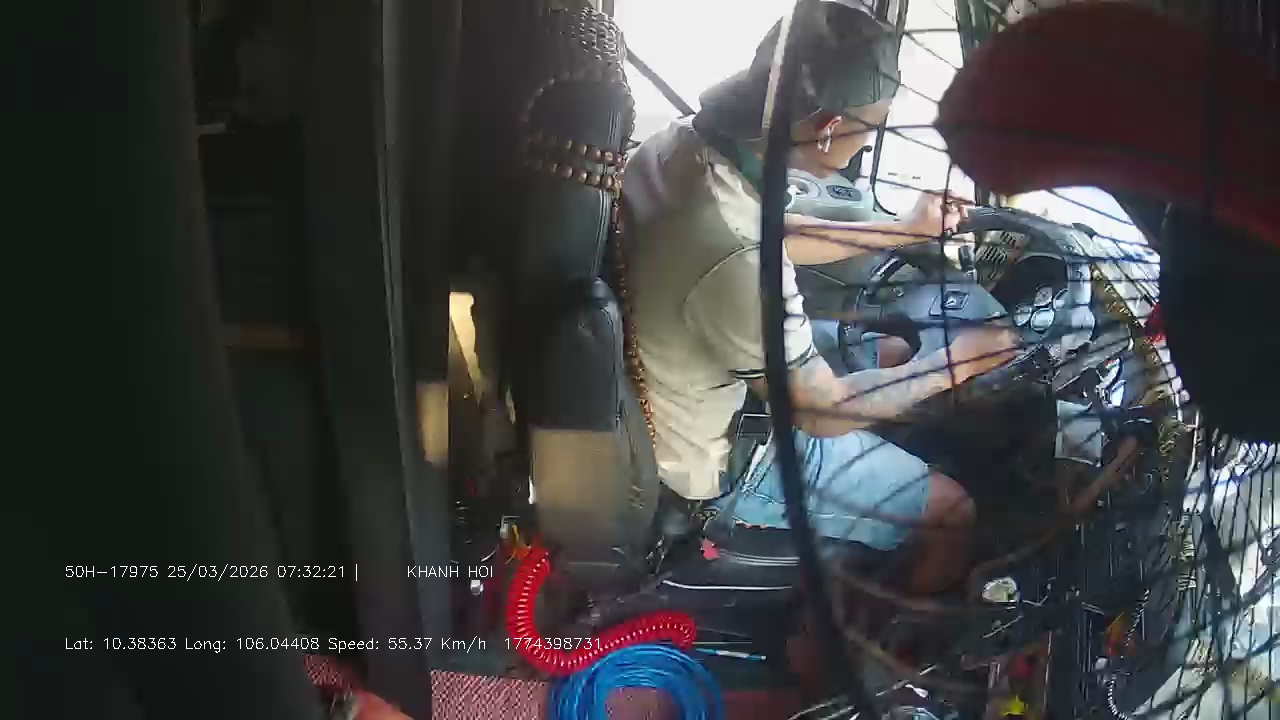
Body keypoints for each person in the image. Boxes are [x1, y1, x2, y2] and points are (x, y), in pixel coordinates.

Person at [621, 1, 1019, 594]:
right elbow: (822, 412)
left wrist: (904, 231)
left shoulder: (681, 146)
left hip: (683, 374)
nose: (866, 146)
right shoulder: (734, 258)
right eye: (871, 129)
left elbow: (768, 235)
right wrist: (961, 363)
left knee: (889, 349)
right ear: (831, 127)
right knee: (951, 512)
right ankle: (876, 641)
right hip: (713, 461)